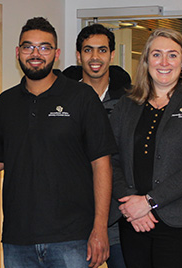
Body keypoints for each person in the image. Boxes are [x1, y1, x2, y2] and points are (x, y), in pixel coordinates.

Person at [0, 17, 117, 268]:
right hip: (18, 239)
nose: (35, 53)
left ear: (56, 54)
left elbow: (101, 165)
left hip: (71, 238)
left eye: (44, 47)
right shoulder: (5, 103)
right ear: (18, 52)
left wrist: (100, 228)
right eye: (28, 47)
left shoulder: (82, 98)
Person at [110, 28, 182, 268]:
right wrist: (131, 204)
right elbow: (111, 158)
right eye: (157, 54)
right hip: (135, 222)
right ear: (146, 60)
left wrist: (148, 201)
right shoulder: (126, 105)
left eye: (172, 55)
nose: (164, 62)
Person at [63, 23, 131, 268]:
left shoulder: (130, 102)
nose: (95, 57)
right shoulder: (62, 100)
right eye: (88, 50)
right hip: (71, 219)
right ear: (78, 55)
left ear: (112, 55)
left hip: (119, 219)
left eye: (102, 50)